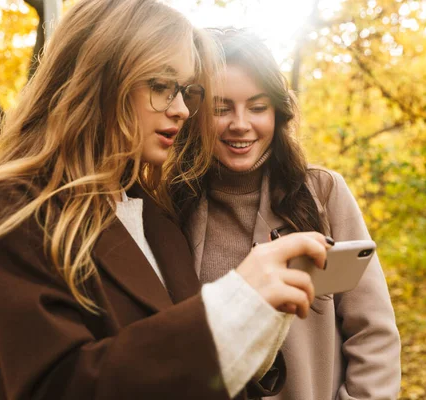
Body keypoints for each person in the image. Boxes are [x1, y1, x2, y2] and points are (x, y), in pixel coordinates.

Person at [0, 3, 333, 399]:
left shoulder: (155, 216)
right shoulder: (4, 214)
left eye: (186, 91)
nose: (182, 109)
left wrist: (260, 319)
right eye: (160, 86)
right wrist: (235, 306)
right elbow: (60, 385)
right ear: (100, 79)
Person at [164, 28, 401, 400]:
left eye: (257, 107)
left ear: (278, 112)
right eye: (221, 109)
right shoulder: (168, 204)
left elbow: (373, 332)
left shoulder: (323, 192)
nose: (240, 124)